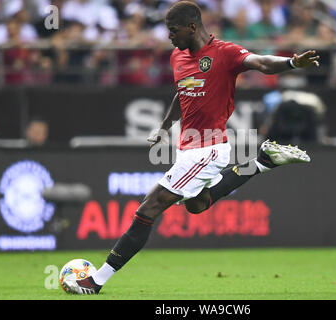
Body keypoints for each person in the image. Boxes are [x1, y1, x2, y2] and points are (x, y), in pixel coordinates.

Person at [63, 1, 319, 295]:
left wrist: (290, 63)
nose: (169, 37)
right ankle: (262, 161)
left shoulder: (225, 53)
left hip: (208, 148)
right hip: (190, 148)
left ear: (192, 27)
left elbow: (261, 63)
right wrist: (164, 125)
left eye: (173, 31)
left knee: (150, 206)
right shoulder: (177, 57)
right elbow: (182, 92)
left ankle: (96, 281)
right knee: (197, 205)